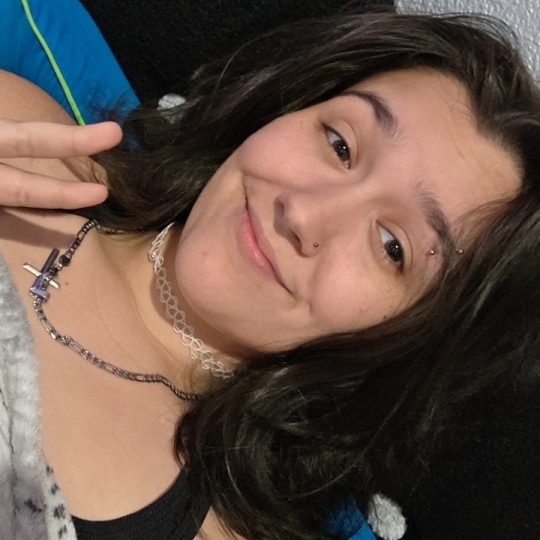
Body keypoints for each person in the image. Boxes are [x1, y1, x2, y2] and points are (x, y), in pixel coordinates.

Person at [0, 10, 540, 540]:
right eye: (339, 145)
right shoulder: (28, 138)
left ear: (409, 340)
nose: (303, 213)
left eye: (391, 246)